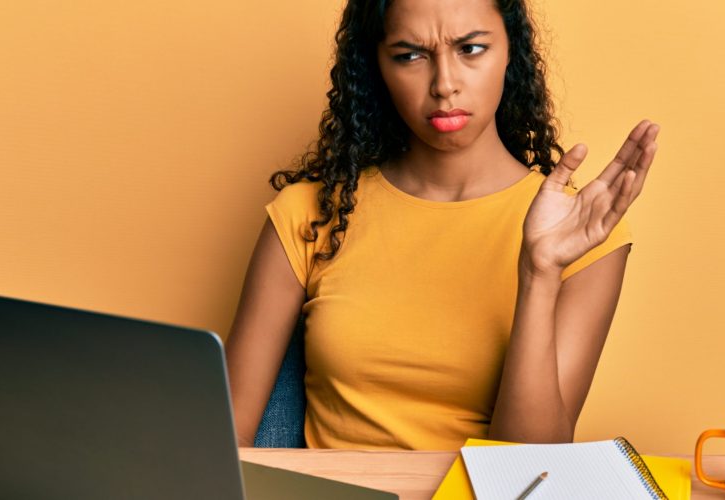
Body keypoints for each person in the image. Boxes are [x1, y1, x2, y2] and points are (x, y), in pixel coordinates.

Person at [226, 0, 660, 451]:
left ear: (511, 50)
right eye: (409, 55)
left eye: (471, 49)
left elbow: (529, 465)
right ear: (376, 66)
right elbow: (227, 439)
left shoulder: (581, 234)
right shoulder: (310, 213)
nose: (445, 85)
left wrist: (539, 272)